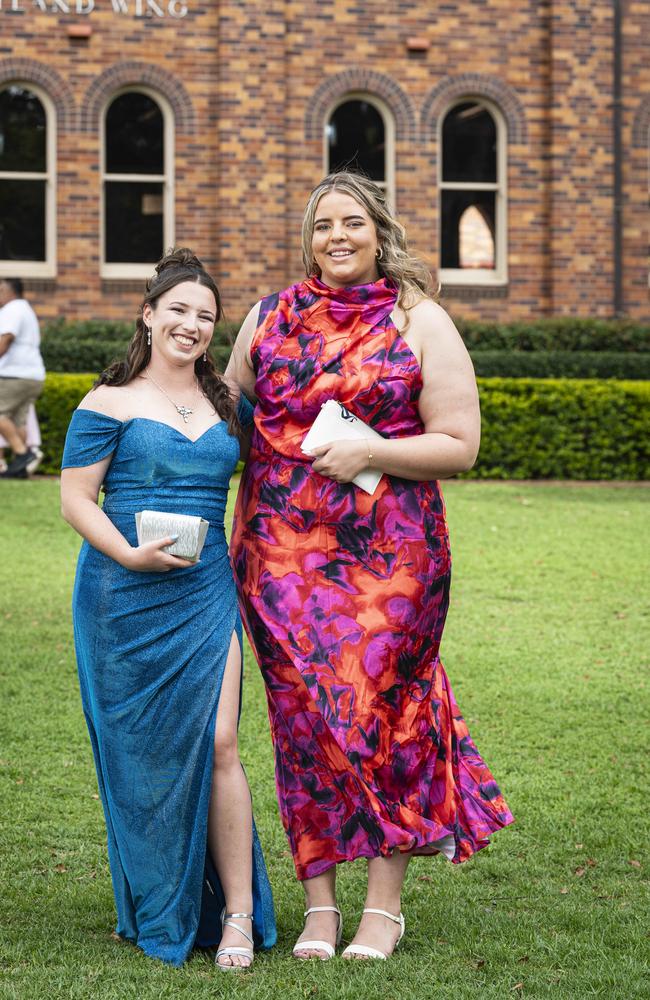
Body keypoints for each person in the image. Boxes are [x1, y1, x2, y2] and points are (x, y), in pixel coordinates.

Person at [227, 172, 514, 962]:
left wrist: (374, 448)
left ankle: (383, 907)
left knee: (382, 713)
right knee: (303, 724)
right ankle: (319, 905)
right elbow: (223, 417)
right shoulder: (268, 317)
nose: (337, 236)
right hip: (278, 559)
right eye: (324, 225)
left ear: (379, 231)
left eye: (352, 222)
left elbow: (459, 442)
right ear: (310, 237)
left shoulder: (420, 320)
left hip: (392, 559)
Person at [60, 248, 276, 969]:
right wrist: (126, 554)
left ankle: (238, 916)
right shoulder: (106, 402)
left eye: (205, 315)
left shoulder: (225, 404)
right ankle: (159, 901)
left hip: (205, 589)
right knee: (138, 755)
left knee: (219, 743)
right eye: (177, 309)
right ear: (149, 314)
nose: (190, 324)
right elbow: (73, 500)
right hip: (120, 596)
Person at [0, 277, 45, 478]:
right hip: (33, 375)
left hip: (15, 374)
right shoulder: (25, 309)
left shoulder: (13, 309)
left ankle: (22, 454)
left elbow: (6, 339)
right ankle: (19, 469)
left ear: (6, 290)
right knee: (18, 422)